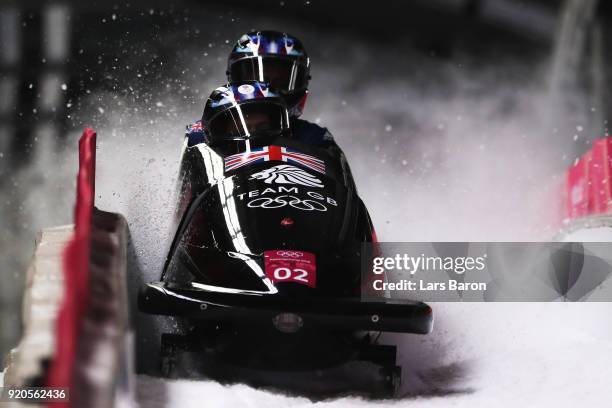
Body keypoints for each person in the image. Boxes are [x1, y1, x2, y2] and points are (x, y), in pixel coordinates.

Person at [186, 30, 334, 148]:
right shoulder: (202, 133)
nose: (266, 90)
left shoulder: (315, 138)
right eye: (259, 79)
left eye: (280, 82)